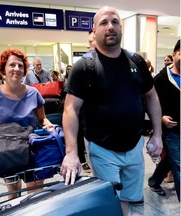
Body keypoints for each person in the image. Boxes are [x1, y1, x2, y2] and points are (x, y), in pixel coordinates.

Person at [60, 6, 162, 216]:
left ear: (121, 28)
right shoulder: (84, 66)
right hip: (102, 148)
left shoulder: (136, 61)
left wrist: (158, 134)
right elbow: (71, 109)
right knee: (112, 201)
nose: (110, 27)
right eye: (104, 23)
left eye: (115, 22)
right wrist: (71, 152)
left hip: (134, 146)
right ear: (94, 30)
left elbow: (151, 96)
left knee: (133, 199)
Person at [0, 48, 53, 200]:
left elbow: (42, 119)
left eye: (20, 66)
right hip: (8, 150)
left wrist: (48, 125)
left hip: (32, 148)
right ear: (3, 69)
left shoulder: (33, 93)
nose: (17, 69)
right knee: (13, 195)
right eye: (12, 65)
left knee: (35, 195)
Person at [148, 39, 180, 201]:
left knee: (171, 159)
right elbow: (149, 101)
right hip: (170, 130)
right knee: (179, 165)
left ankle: (154, 181)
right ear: (174, 54)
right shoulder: (160, 79)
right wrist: (160, 118)